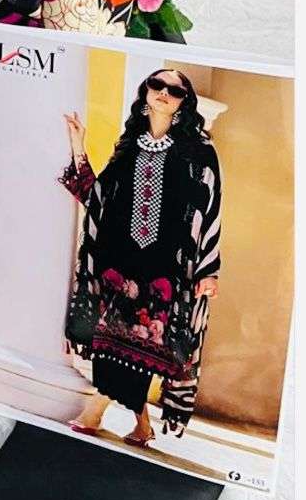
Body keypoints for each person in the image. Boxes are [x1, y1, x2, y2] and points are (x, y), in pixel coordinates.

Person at [59, 69, 221, 446]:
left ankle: (95, 410)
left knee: (144, 347)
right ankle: (141, 426)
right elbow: (98, 197)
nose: (164, 92)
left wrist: (208, 269)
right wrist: (78, 145)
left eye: (174, 90)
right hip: (119, 262)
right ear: (146, 92)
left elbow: (211, 208)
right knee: (112, 346)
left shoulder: (199, 151)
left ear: (184, 102)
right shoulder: (130, 144)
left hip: (165, 268)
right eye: (157, 85)